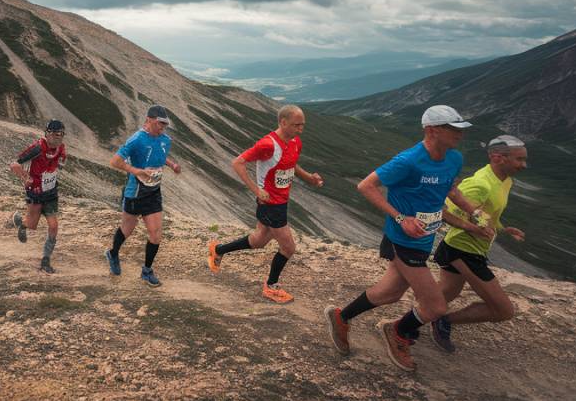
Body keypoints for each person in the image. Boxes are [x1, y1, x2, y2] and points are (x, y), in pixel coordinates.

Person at [324, 105, 483, 372]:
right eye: (453, 129)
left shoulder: (453, 158)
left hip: (424, 239)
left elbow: (450, 188)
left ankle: (341, 317)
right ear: (432, 130)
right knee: (435, 307)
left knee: (389, 293)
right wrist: (401, 218)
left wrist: (472, 213)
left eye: (460, 128)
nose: (460, 134)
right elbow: (366, 186)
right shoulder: (408, 160)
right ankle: (398, 332)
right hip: (403, 240)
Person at [207, 105, 324, 303]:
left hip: (281, 201)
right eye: (297, 125)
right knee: (288, 248)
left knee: (259, 241)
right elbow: (237, 163)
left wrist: (309, 178)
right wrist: (256, 190)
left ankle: (217, 250)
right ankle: (271, 286)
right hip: (270, 204)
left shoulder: (295, 141)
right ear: (283, 122)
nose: (301, 129)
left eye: (303, 125)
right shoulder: (267, 144)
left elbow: (291, 164)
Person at [429, 135, 528, 352]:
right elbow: (445, 211)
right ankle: (440, 321)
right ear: (498, 158)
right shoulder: (480, 183)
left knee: (443, 296)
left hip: (467, 248)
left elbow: (483, 213)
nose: (524, 165)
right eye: (519, 159)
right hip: (463, 250)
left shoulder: (505, 181)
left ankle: (403, 326)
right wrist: (472, 228)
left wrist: (501, 228)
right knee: (503, 311)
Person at [105, 105, 181, 287]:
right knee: (127, 229)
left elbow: (161, 155)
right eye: (159, 123)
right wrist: (136, 171)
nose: (162, 127)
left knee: (156, 234)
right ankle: (113, 253)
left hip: (153, 192)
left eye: (165, 124)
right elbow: (115, 161)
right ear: (148, 120)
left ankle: (146, 271)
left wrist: (172, 165)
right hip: (135, 192)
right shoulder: (136, 140)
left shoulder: (165, 139)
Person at [10, 120, 67, 274]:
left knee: (53, 226)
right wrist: (25, 177)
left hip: (50, 193)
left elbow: (62, 159)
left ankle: (45, 261)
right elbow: (14, 164)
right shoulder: (37, 148)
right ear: (46, 133)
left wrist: (58, 165)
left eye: (59, 134)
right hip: (35, 192)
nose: (56, 137)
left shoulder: (61, 148)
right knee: (32, 225)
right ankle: (21, 224)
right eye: (53, 134)